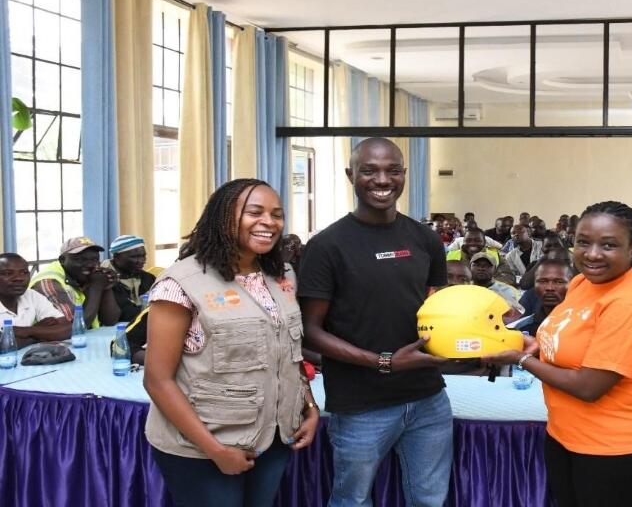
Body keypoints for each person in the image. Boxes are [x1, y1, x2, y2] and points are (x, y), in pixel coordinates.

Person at [483, 201, 632, 507]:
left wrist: (521, 360)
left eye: (608, 245)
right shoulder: (581, 283)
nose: (592, 254)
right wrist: (537, 346)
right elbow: (568, 335)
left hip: (617, 445)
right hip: (566, 434)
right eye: (583, 242)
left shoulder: (630, 303)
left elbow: (589, 387)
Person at [143, 179, 319, 507]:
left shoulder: (283, 276)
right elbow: (157, 380)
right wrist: (215, 451)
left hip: (274, 437)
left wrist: (309, 407)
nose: (269, 222)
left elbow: (288, 353)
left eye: (277, 214)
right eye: (255, 212)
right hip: (203, 447)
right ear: (223, 217)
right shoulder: (180, 283)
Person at [297, 138, 452, 507]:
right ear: (351, 175)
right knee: (352, 500)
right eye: (370, 170)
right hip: (360, 404)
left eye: (392, 170)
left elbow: (441, 310)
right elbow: (310, 331)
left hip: (428, 397)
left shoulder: (425, 238)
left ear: (403, 175)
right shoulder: (327, 246)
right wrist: (385, 361)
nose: (382, 179)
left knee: (429, 499)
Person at [30, 236, 120, 329]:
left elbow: (110, 320)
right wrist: (96, 286)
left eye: (95, 259)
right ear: (62, 260)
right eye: (80, 259)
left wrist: (105, 284)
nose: (91, 265)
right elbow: (75, 327)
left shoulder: (82, 275)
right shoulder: (48, 282)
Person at [0, 253, 69, 347]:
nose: (18, 278)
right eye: (8, 273)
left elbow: (67, 329)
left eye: (24, 272)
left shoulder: (31, 295)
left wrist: (29, 330)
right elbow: (4, 346)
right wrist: (40, 332)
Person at [506, 258, 572, 336]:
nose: (550, 288)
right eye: (543, 281)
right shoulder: (529, 298)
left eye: (558, 282)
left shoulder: (580, 314)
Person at [104, 235, 157, 327]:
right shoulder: (105, 278)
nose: (141, 261)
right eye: (134, 257)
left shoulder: (147, 278)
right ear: (116, 257)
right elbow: (126, 314)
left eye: (143, 256)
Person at [470, 251, 524, 319]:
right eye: (477, 265)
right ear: (470, 267)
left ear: (495, 269)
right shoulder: (462, 288)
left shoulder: (507, 291)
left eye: (487, 266)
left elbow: (515, 316)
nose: (481, 268)